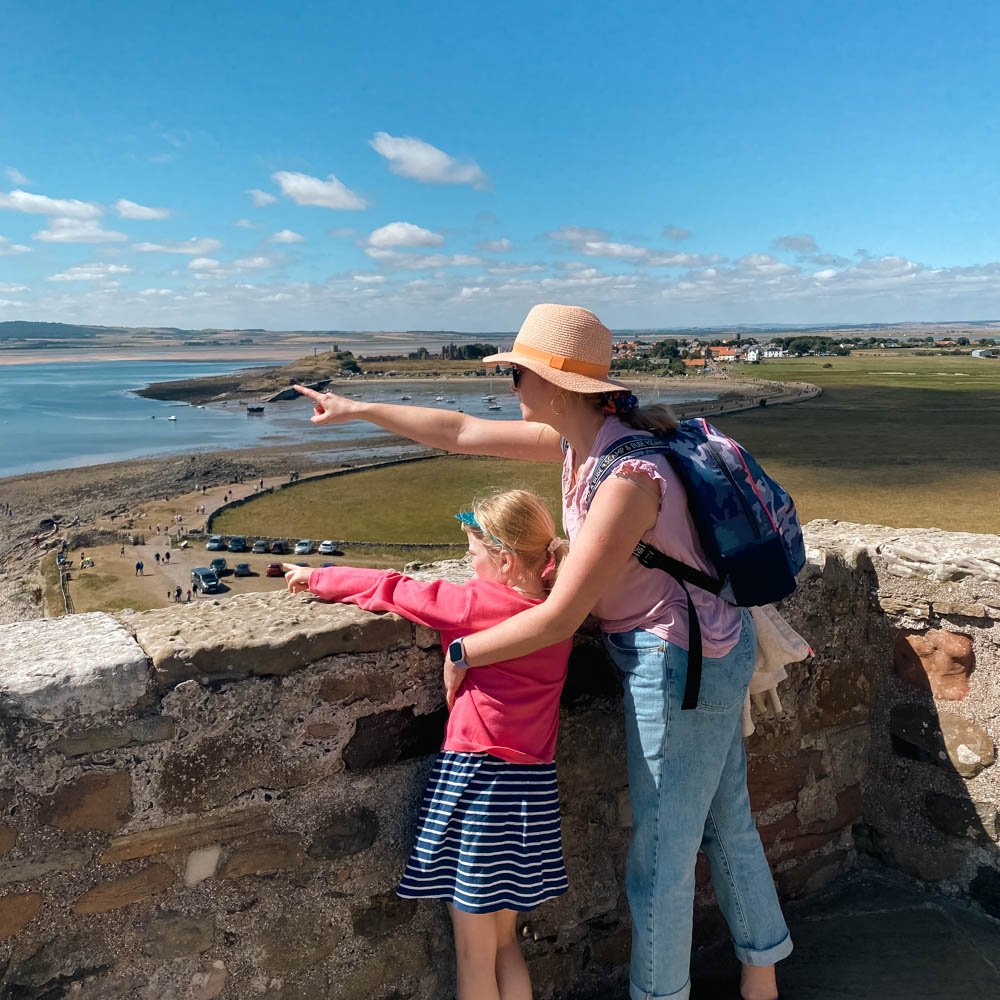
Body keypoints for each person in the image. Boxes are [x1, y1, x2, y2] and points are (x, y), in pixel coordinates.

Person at [293, 304, 791, 1000]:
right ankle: (761, 977)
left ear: (556, 384)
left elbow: (559, 619)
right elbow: (460, 431)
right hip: (701, 649)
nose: (511, 387)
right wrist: (356, 408)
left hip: (681, 665)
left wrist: (465, 651)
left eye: (519, 374)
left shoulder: (626, 478)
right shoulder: (580, 444)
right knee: (723, 818)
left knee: (661, 860)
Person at [283, 490, 572, 1000]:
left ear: (504, 561)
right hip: (530, 790)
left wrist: (315, 577)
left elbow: (394, 590)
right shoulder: (554, 613)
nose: (466, 561)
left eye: (473, 552)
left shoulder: (476, 603)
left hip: (480, 786)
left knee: (473, 955)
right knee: (506, 943)